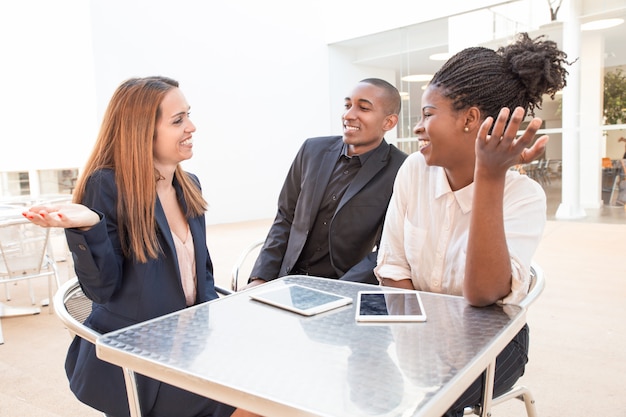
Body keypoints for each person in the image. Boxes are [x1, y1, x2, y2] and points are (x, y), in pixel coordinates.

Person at [23, 77, 258, 417]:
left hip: (191, 349)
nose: (191, 127)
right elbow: (102, 290)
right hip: (141, 361)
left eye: (188, 115)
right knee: (261, 402)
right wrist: (89, 225)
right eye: (178, 120)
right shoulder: (106, 185)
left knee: (277, 381)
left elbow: (200, 276)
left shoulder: (188, 185)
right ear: (142, 130)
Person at [373, 33, 570, 416]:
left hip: (493, 343)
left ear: (470, 119)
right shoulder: (414, 171)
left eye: (429, 114)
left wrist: (491, 178)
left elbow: (482, 295)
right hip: (418, 331)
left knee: (430, 405)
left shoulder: (523, 196)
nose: (418, 127)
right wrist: (412, 340)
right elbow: (393, 267)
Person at [247, 78, 408, 287]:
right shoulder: (311, 150)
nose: (348, 115)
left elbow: (388, 248)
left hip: (344, 287)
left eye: (363, 108)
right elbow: (285, 216)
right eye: (347, 105)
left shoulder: (401, 168)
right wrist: (261, 277)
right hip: (286, 281)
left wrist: (341, 288)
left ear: (389, 122)